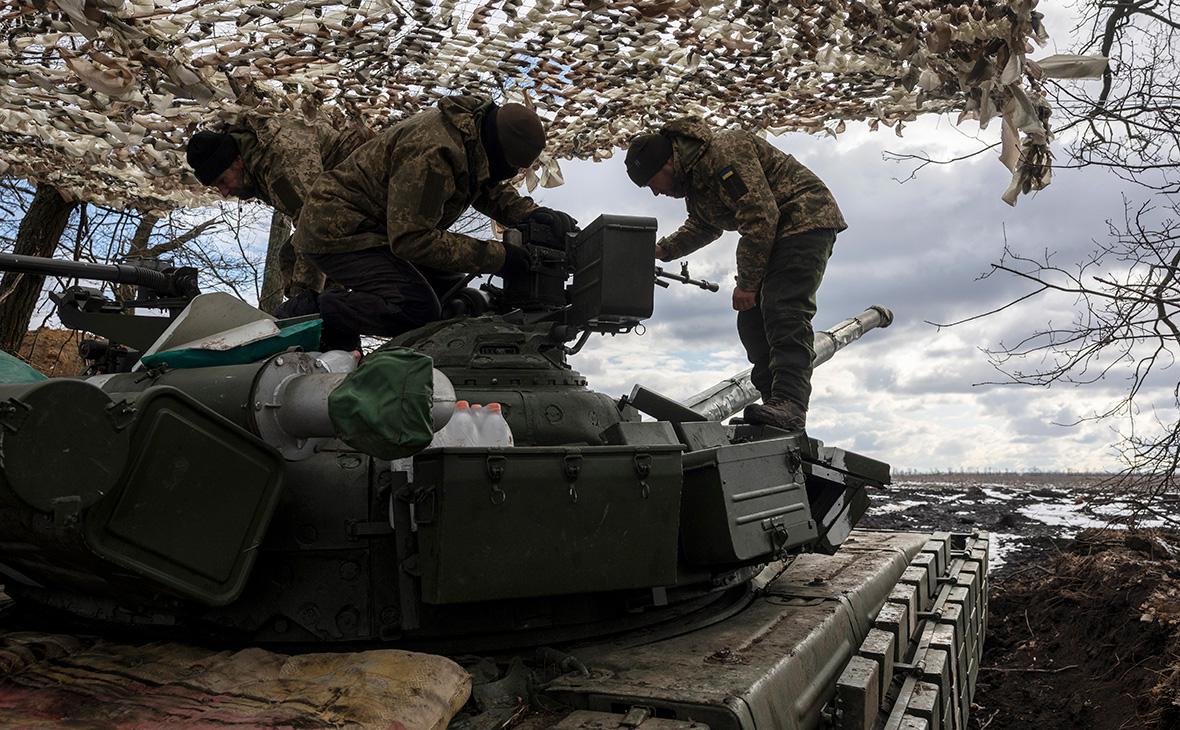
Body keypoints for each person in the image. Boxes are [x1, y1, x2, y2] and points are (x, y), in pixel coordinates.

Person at [291, 95, 577, 351]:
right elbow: (412, 239)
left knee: (456, 297)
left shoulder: (472, 135)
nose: (510, 175)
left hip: (379, 230)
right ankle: (315, 311)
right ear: (497, 150)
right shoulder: (433, 153)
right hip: (338, 230)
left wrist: (529, 214)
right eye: (510, 168)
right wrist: (500, 257)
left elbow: (485, 182)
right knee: (416, 308)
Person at [624, 118, 847, 432]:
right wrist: (660, 251)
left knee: (784, 308)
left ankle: (790, 405)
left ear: (668, 162)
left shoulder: (725, 152)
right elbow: (703, 226)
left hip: (805, 219)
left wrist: (747, 284)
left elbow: (760, 215)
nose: (656, 193)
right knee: (752, 320)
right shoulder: (696, 182)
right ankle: (775, 406)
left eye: (652, 182)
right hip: (777, 233)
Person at [185, 112, 373, 316]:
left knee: (312, 260)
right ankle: (331, 321)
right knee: (290, 255)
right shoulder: (256, 163)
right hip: (348, 197)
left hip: (372, 183)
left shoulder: (279, 162)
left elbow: (315, 221)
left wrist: (304, 296)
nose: (225, 192)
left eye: (222, 181)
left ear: (237, 161)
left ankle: (326, 317)